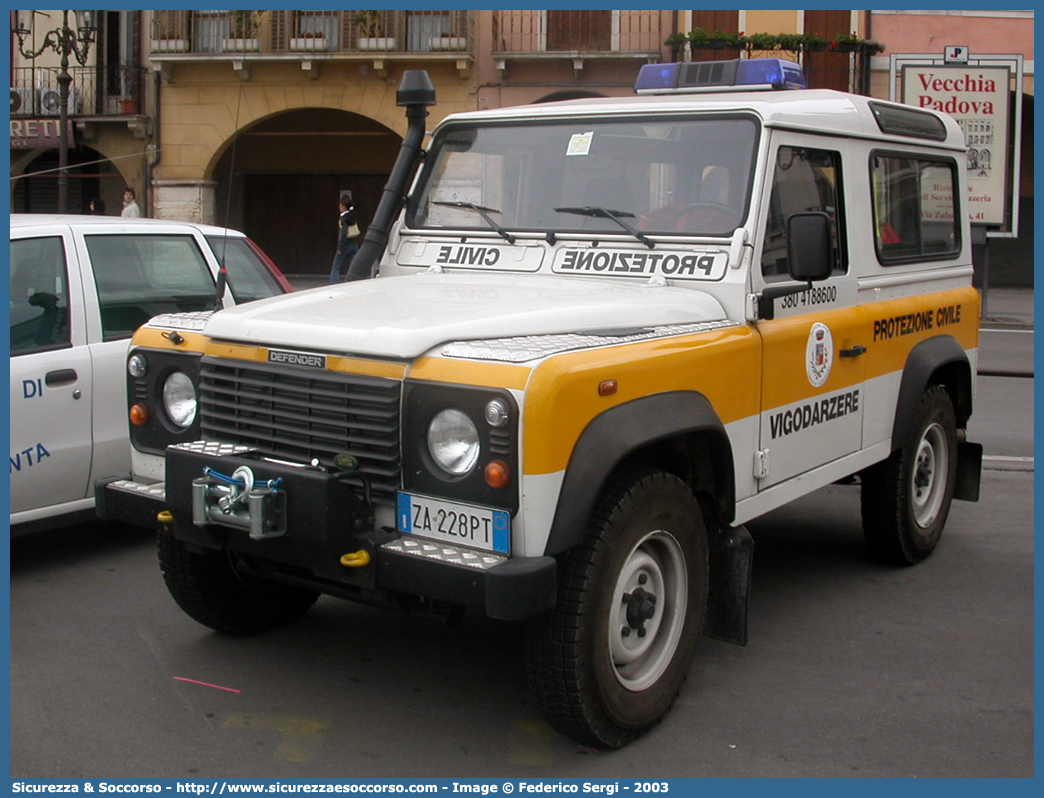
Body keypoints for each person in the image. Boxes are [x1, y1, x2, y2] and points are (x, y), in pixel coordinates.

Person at [328, 193, 361, 284]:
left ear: (343, 206)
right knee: (353, 267)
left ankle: (334, 284)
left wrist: (340, 248)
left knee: (336, 267)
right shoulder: (353, 215)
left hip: (345, 245)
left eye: (340, 205)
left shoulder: (343, 218)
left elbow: (343, 233)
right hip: (354, 244)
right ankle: (355, 282)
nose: (339, 207)